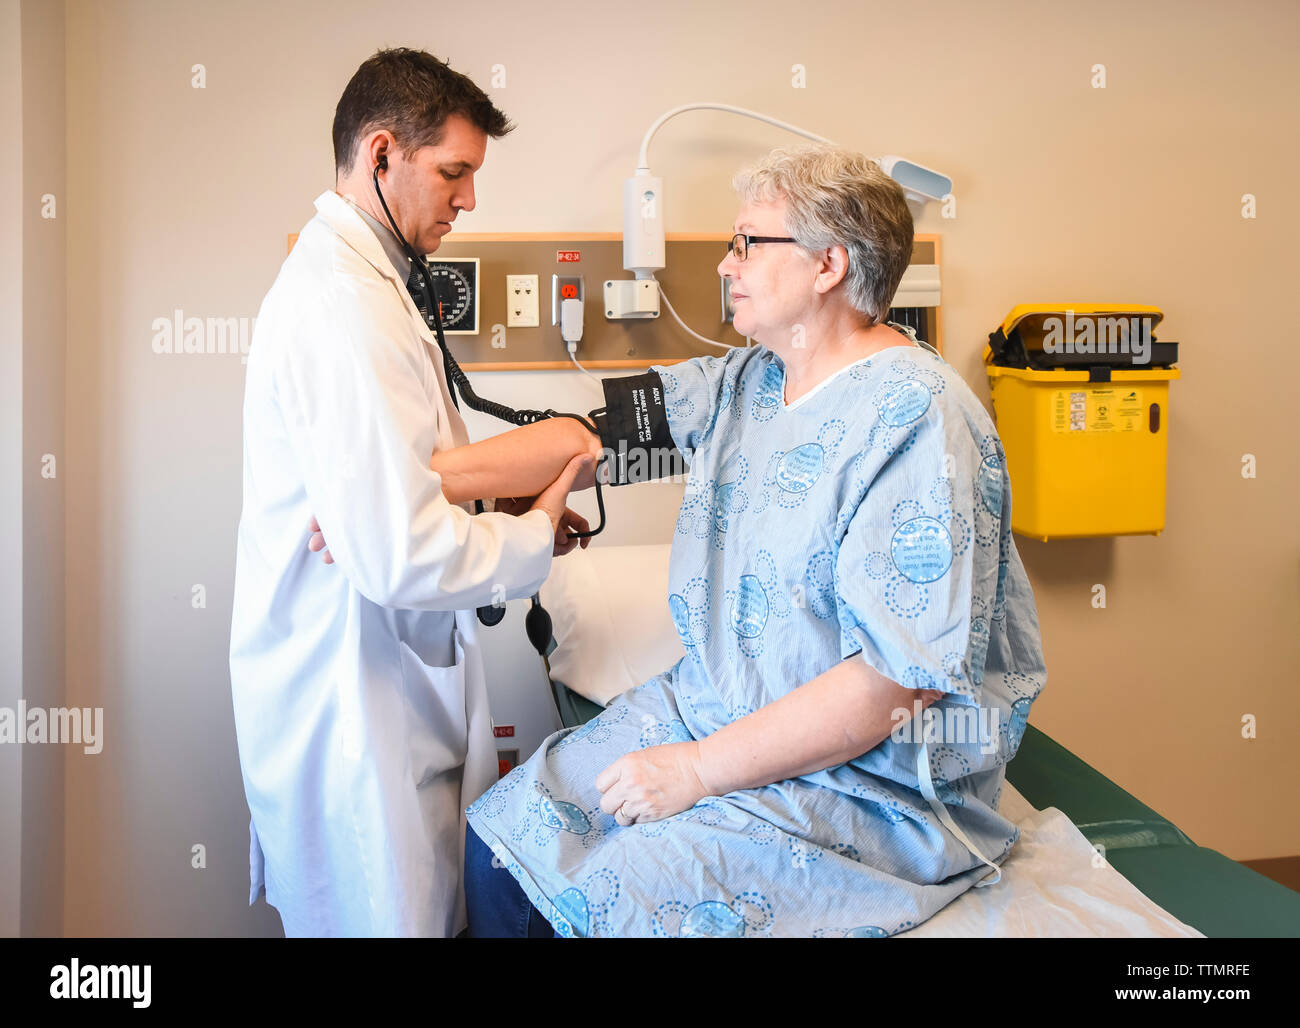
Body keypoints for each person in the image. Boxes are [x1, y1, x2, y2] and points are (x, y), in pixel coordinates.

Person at [455, 144, 1050, 937]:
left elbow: (893, 684)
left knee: (614, 898)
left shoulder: (919, 420)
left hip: (866, 779)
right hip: (716, 705)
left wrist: (696, 772)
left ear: (828, 264)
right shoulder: (750, 380)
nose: (726, 266)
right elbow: (583, 443)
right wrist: (427, 486)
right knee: (499, 842)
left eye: (746, 243)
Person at [229, 48, 600, 938]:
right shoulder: (341, 304)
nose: (468, 198)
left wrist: (495, 506)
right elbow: (398, 548)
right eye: (454, 172)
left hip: (383, 690)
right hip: (352, 710)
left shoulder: (371, 283)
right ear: (382, 153)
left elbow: (404, 481)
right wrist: (538, 524)